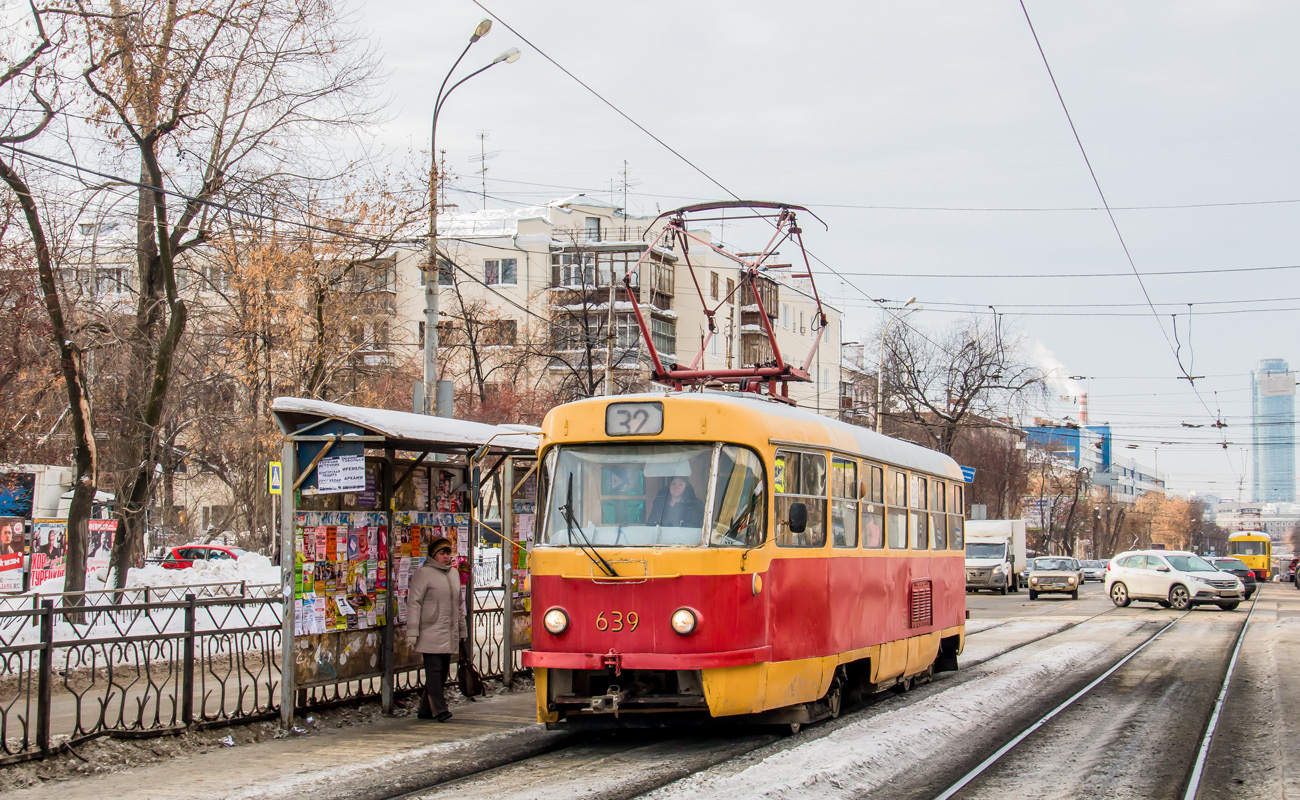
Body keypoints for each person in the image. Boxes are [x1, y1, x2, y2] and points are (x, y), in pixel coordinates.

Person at [406, 536, 466, 722]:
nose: (446, 556)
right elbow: (414, 603)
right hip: (430, 630)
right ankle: (440, 710)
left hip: (448, 631)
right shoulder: (423, 574)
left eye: (448, 553)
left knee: (442, 672)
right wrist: (413, 632)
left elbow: (459, 604)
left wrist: (462, 630)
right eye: (442, 553)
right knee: (434, 671)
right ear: (433, 555)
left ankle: (425, 710)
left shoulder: (453, 574)